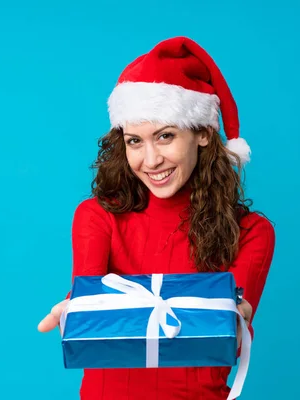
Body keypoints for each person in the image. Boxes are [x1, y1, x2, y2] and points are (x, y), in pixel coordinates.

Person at [38, 36, 276, 400]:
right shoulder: (97, 216)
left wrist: (235, 316)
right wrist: (76, 306)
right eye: (135, 141)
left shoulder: (251, 231)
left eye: (165, 136)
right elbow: (89, 306)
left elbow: (229, 331)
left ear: (202, 134)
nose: (150, 161)